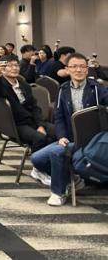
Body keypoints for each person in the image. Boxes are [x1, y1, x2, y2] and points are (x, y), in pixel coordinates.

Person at [30, 53, 108, 206]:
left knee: (56, 152)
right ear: (67, 70)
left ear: (87, 70)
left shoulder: (97, 88)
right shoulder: (63, 89)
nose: (78, 70)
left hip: (92, 141)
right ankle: (72, 180)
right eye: (74, 66)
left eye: (82, 66)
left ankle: (58, 192)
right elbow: (59, 118)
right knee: (36, 158)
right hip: (70, 138)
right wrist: (61, 136)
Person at [0, 55, 55, 152]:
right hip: (16, 124)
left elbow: (34, 106)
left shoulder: (23, 84)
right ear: (2, 68)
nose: (14, 68)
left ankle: (50, 158)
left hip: (32, 120)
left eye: (16, 65)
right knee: (40, 138)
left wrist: (40, 125)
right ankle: (37, 161)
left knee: (59, 132)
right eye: (10, 65)